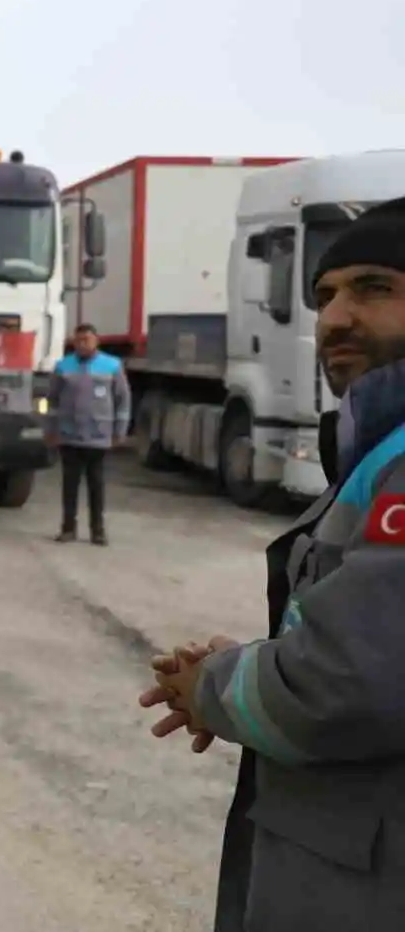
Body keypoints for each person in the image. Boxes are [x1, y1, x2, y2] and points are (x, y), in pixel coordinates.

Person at [140, 197, 405, 931]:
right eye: (325, 296)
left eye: (375, 288)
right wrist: (264, 660)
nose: (336, 318)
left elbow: (348, 686)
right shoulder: (379, 451)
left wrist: (214, 687)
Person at [47, 323, 131, 545]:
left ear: (97, 341)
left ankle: (98, 530)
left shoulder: (112, 366)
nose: (83, 344)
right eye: (79, 340)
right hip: (69, 435)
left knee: (96, 485)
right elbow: (52, 401)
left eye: (87, 339)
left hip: (98, 436)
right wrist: (51, 430)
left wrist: (119, 431)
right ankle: (68, 528)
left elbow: (122, 400)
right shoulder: (63, 366)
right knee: (70, 485)